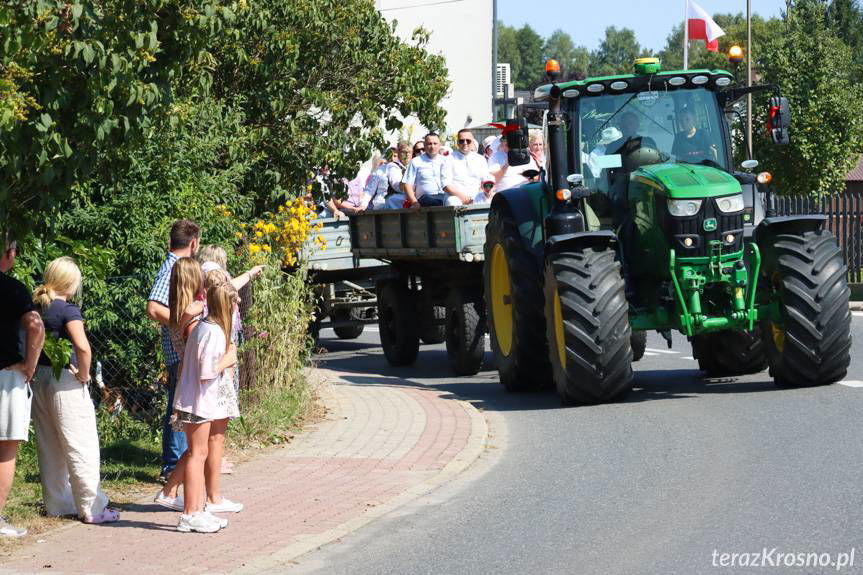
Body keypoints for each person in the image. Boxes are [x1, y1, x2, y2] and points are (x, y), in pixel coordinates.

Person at [31, 257, 119, 524]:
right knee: (81, 444)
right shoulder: (67, 310)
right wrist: (83, 374)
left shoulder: (36, 306)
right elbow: (82, 347)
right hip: (64, 380)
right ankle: (92, 507)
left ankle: (57, 503)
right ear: (72, 282)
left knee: (49, 445)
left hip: (39, 378)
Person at [173, 280, 241, 533]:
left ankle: (197, 509)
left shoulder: (202, 325)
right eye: (234, 302)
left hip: (194, 399)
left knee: (196, 454)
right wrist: (228, 360)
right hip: (198, 402)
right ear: (227, 305)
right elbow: (206, 372)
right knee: (196, 455)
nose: (237, 307)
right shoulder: (213, 332)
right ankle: (191, 513)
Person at [146, 219, 200, 482]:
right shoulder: (172, 268)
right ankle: (172, 467)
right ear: (193, 243)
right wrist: (182, 321)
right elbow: (153, 307)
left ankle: (176, 463)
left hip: (179, 348)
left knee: (179, 405)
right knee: (178, 406)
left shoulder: (174, 265)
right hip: (178, 350)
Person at [0, 238, 44, 537]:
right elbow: (35, 325)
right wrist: (30, 364)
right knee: (6, 449)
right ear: (9, 253)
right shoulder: (12, 288)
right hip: (6, 376)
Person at [402, 132, 469, 207]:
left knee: (453, 201)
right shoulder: (416, 161)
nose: (432, 146)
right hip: (425, 200)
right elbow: (407, 184)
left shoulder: (446, 160)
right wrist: (414, 202)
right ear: (424, 145)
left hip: (444, 197)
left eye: (435, 143)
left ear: (439, 145)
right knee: (429, 199)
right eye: (429, 144)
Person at [447, 129, 491, 202]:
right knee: (452, 201)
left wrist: (478, 196)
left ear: (472, 142)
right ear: (457, 142)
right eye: (462, 141)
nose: (465, 143)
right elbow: (446, 185)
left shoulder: (480, 159)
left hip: (477, 196)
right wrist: (464, 198)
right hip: (455, 197)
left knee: (490, 200)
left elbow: (485, 180)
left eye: (468, 140)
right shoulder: (448, 159)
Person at [384, 141, 413, 209]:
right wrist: (406, 174)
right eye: (404, 152)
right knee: (393, 199)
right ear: (398, 152)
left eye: (409, 152)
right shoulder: (393, 166)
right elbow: (398, 187)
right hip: (398, 198)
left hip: (413, 196)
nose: (407, 154)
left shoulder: (414, 164)